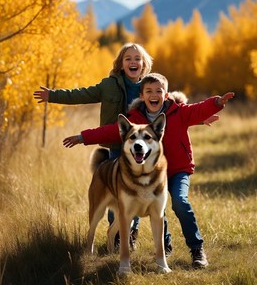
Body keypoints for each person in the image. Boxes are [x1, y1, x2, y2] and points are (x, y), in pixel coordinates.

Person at [63, 73, 234, 269]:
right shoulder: (134, 118)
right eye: (149, 91)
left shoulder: (179, 111)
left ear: (166, 94)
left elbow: (198, 110)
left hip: (177, 170)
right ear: (142, 96)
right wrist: (83, 137)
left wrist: (218, 102)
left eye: (159, 91)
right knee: (148, 208)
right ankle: (160, 246)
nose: (154, 95)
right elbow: (110, 131)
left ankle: (197, 250)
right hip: (148, 173)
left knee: (179, 202)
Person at [33, 43, 153, 248]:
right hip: (117, 147)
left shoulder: (148, 87)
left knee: (139, 191)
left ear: (144, 64)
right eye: (128, 59)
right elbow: (80, 94)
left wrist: (199, 117)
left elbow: (171, 107)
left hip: (142, 149)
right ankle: (116, 237)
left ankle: (131, 233)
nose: (133, 62)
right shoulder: (109, 85)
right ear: (121, 64)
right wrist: (53, 95)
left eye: (137, 59)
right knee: (116, 193)